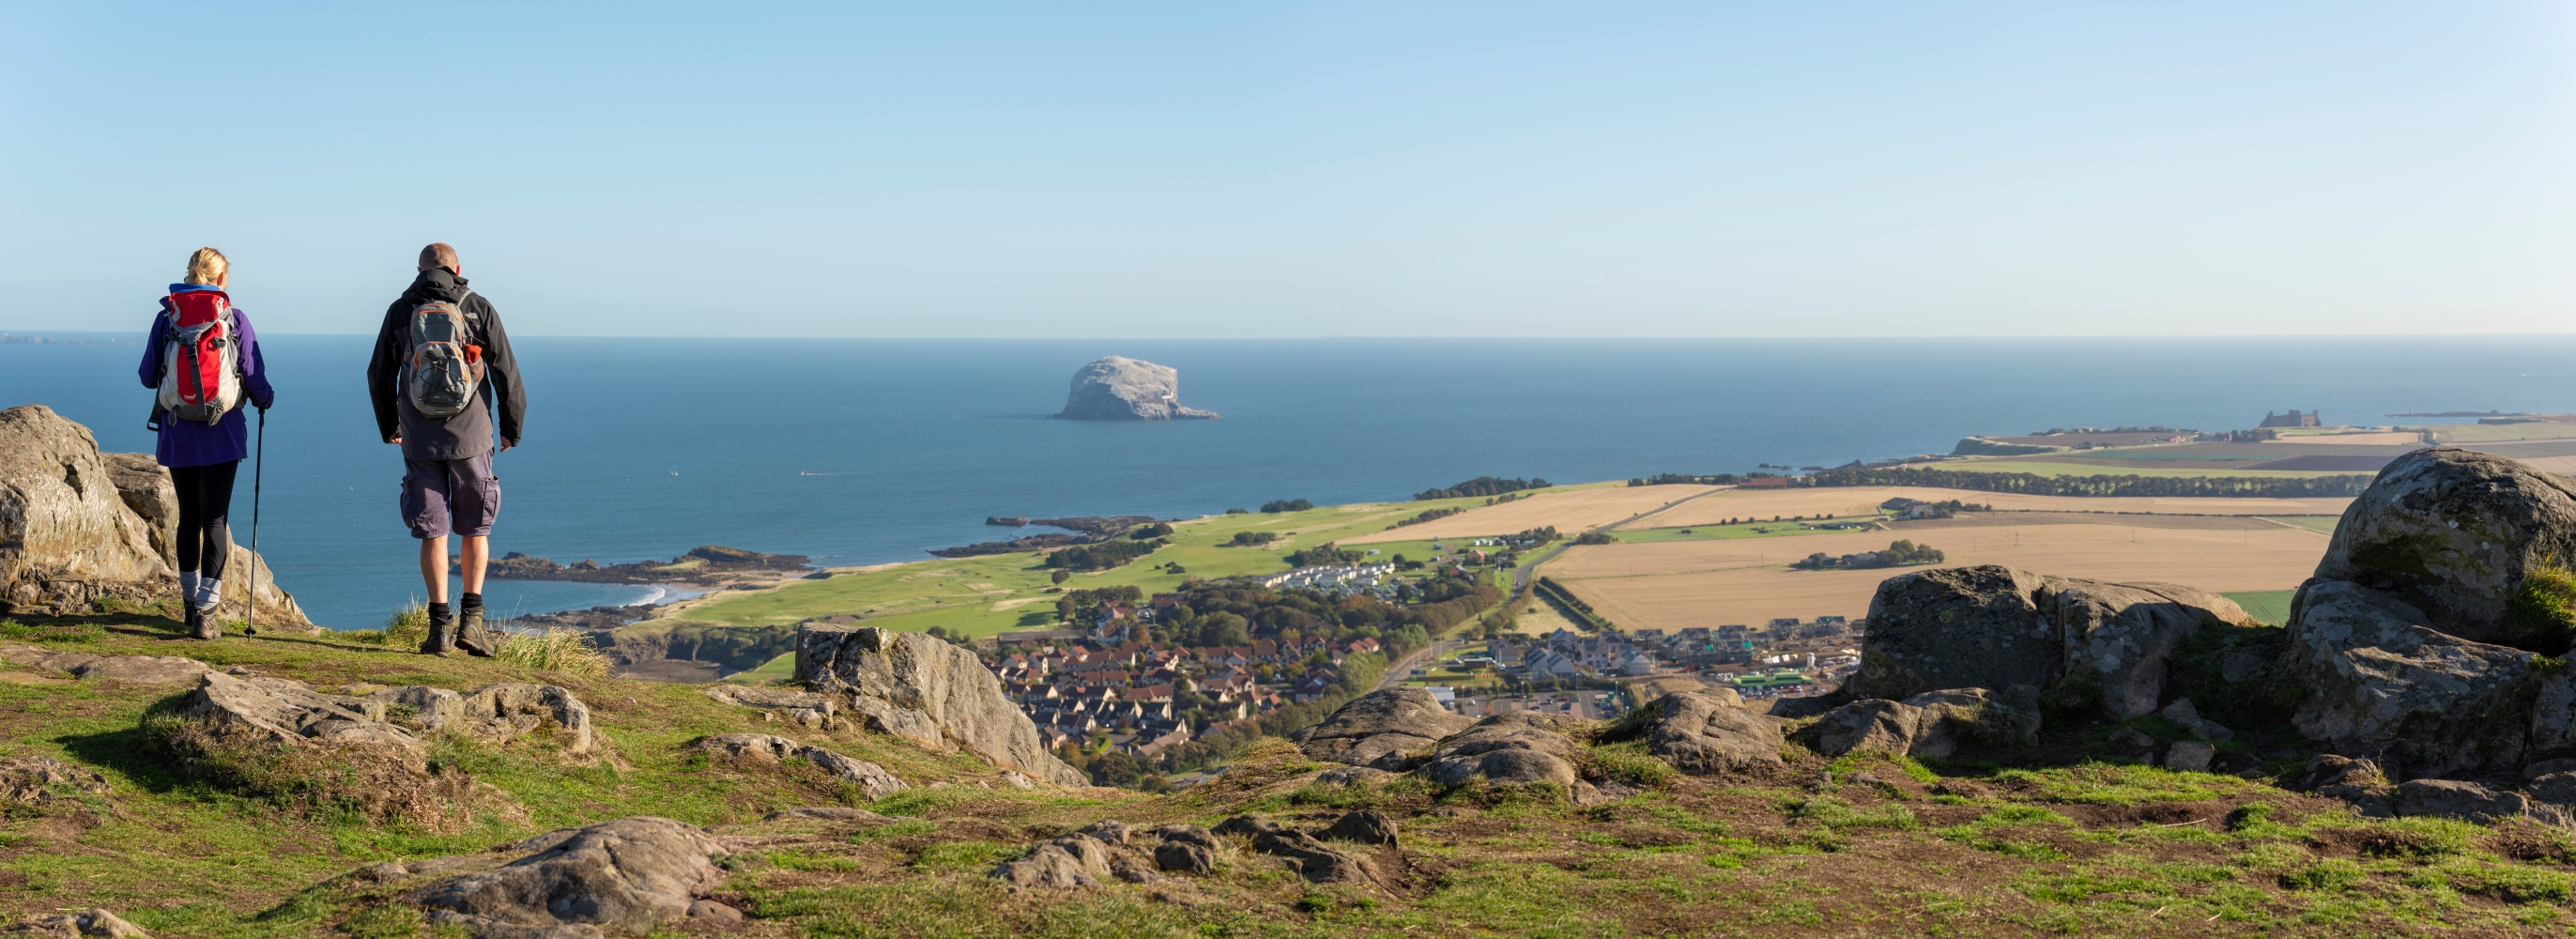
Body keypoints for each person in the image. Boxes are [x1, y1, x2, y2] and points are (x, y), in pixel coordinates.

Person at [367, 242, 525, 656]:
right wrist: (511, 428)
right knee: (476, 528)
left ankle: (439, 630)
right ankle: (472, 624)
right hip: (472, 435)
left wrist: (391, 426)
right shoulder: (477, 306)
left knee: (432, 531)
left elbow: (378, 373)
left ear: (419, 269)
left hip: (419, 438)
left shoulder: (402, 310)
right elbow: (506, 370)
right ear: (457, 268)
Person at [137, 247, 275, 640]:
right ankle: (206, 615)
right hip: (222, 433)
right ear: (222, 280)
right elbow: (253, 376)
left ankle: (186, 605)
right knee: (215, 520)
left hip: (179, 432)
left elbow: (148, 376)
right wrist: (266, 399)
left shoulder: (167, 319)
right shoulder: (235, 319)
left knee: (189, 518)